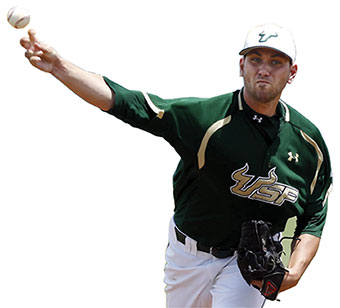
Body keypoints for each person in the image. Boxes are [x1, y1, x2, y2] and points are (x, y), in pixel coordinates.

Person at [20, 23, 332, 307]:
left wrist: (295, 269)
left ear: (292, 72)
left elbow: (315, 211)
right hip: (189, 255)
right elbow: (130, 104)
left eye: (276, 62)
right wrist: (59, 68)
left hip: (247, 264)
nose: (264, 69)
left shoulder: (309, 145)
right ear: (241, 66)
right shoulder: (206, 119)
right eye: (256, 59)